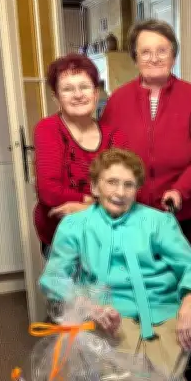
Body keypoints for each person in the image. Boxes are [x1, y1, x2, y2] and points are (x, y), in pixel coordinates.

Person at [100, 19, 191, 381]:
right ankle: (147, 361)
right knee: (140, 282)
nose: (155, 57)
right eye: (146, 51)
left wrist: (180, 190)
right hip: (133, 214)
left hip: (182, 212)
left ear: (173, 54)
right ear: (135, 57)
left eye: (162, 50)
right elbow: (108, 154)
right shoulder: (119, 100)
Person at [39, 149, 191, 376]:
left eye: (129, 185)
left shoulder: (158, 222)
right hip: (104, 317)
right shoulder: (75, 225)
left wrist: (188, 305)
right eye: (112, 182)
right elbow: (53, 278)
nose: (120, 192)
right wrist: (88, 307)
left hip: (161, 315)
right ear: (94, 187)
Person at [33, 53, 127, 255]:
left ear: (95, 93)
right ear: (56, 97)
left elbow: (124, 192)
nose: (78, 95)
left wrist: (86, 208)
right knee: (71, 288)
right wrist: (100, 203)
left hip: (105, 235)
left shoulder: (115, 137)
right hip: (62, 238)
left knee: (105, 287)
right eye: (67, 89)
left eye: (84, 87)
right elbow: (49, 191)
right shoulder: (48, 129)